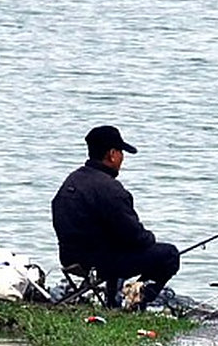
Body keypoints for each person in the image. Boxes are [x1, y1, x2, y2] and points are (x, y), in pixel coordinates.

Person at [51, 125, 179, 309]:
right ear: (112, 154)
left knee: (115, 246)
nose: (122, 158)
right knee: (169, 255)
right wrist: (150, 238)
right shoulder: (110, 189)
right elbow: (134, 236)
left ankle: (113, 301)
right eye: (120, 152)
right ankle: (140, 298)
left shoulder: (72, 180)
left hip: (70, 259)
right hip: (101, 262)